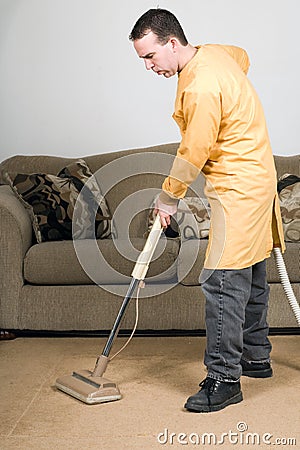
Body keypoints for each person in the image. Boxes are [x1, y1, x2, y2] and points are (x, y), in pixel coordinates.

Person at [129, 8, 285, 412]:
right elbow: (243, 55)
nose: (149, 66)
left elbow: (193, 150)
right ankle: (256, 356)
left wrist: (168, 197)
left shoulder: (199, 85)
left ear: (172, 43)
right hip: (259, 177)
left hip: (238, 186)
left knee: (220, 281)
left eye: (150, 56)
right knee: (250, 270)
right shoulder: (215, 54)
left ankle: (223, 379)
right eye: (143, 59)